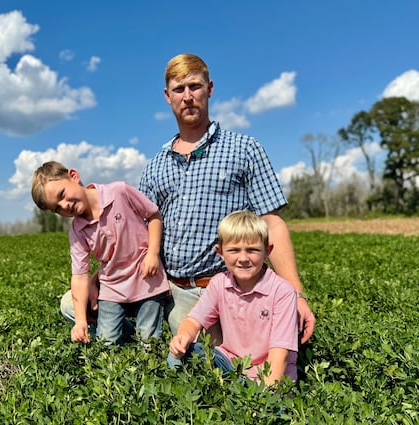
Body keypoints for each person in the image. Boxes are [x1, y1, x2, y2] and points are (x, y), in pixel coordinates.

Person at [138, 53, 315, 344]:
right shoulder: (155, 165)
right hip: (172, 287)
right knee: (74, 305)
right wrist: (97, 280)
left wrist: (295, 293)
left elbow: (272, 221)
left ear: (209, 88)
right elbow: (137, 234)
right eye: (179, 90)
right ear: (167, 96)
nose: (188, 96)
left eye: (195, 86)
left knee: (236, 362)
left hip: (230, 284)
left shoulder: (244, 149)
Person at [32, 161, 169, 344]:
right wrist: (80, 321)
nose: (65, 206)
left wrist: (153, 253)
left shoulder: (119, 192)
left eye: (62, 194)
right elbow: (79, 276)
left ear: (73, 176)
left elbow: (153, 215)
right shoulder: (77, 230)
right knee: (107, 342)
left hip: (146, 279)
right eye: (57, 208)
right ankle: (126, 350)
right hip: (112, 287)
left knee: (148, 342)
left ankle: (145, 355)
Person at [168, 210, 298, 384]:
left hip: (268, 377)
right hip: (229, 364)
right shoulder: (219, 283)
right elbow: (193, 321)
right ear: (220, 252)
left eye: (252, 250)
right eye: (234, 250)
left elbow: (279, 357)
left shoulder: (282, 292)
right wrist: (182, 336)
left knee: (276, 409)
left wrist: (264, 400)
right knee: (188, 352)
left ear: (267, 251)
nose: (243, 258)